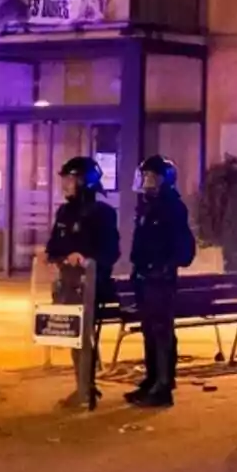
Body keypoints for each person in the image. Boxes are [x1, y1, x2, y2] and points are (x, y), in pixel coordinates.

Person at [45, 157, 120, 405]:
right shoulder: (64, 212)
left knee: (82, 335)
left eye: (71, 180)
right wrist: (53, 256)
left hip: (92, 285)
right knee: (73, 335)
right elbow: (54, 244)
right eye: (64, 180)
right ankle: (84, 385)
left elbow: (111, 251)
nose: (65, 185)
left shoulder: (103, 213)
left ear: (85, 182)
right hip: (67, 283)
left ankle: (86, 388)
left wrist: (87, 259)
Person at [126, 155, 196, 408]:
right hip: (145, 276)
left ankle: (164, 385)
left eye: (152, 176)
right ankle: (152, 378)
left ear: (164, 180)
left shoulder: (172, 207)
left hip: (161, 278)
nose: (147, 181)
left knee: (161, 330)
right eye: (144, 176)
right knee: (149, 330)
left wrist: (165, 267)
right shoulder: (146, 205)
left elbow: (180, 245)